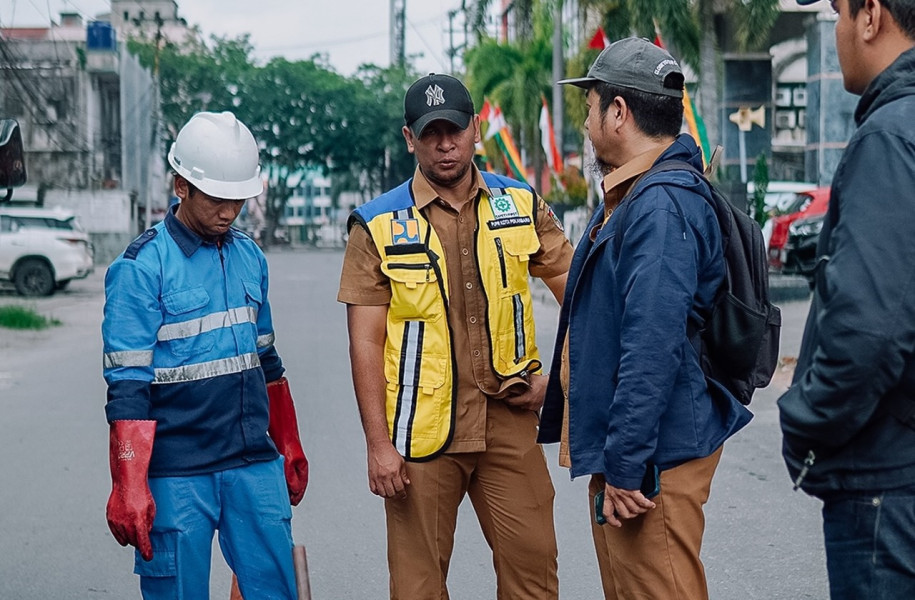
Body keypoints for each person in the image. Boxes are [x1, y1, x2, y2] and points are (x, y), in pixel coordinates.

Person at [338, 73, 573, 599]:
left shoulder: (520, 202)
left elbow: (582, 297)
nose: (445, 144)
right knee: (417, 588)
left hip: (509, 422)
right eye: (431, 133)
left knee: (534, 578)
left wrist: (554, 384)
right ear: (409, 139)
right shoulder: (375, 225)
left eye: (455, 129)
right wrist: (379, 445)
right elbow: (365, 343)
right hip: (422, 435)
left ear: (475, 132)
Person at [537, 37, 753, 599]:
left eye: (589, 106)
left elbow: (650, 344)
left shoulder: (660, 204)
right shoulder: (634, 196)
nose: (585, 122)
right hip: (636, 454)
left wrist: (627, 465)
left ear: (618, 112)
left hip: (653, 461)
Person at [102, 111, 309, 599]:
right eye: (217, 198)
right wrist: (129, 482)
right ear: (181, 186)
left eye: (238, 199)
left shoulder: (249, 257)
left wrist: (289, 440)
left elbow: (267, 360)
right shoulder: (139, 268)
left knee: (275, 588)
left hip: (251, 460)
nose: (229, 211)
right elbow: (127, 388)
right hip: (177, 470)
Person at [779, 1, 915, 597]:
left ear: (871, 17)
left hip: (886, 483)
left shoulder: (889, 137)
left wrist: (806, 425)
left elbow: (869, 329)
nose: (835, 31)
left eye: (839, 12)